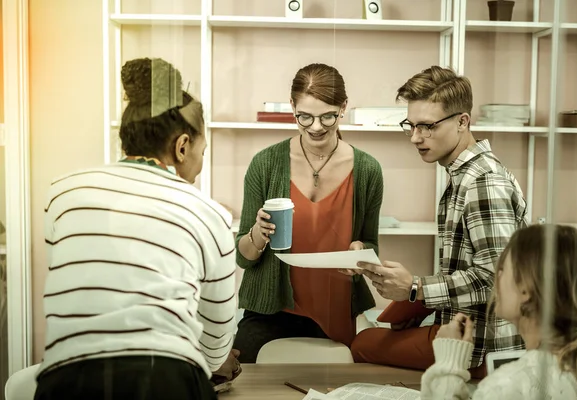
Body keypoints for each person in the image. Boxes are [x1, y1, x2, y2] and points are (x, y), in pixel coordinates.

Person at [35, 58, 240, 399]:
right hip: (165, 380)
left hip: (65, 379)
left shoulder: (62, 193)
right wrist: (211, 360)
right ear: (183, 146)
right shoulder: (208, 213)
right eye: (202, 152)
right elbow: (218, 340)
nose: (200, 164)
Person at [351, 66, 527, 376]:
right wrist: (415, 302)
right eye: (412, 125)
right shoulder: (466, 175)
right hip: (464, 333)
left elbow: (498, 279)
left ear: (462, 122)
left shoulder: (483, 182)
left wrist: (417, 288)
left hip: (483, 349)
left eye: (428, 126)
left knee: (363, 344)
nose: (416, 137)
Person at [233, 63, 384, 363]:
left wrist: (361, 251)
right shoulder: (265, 164)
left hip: (336, 308)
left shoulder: (367, 170)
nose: (316, 126)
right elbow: (243, 256)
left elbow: (370, 244)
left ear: (343, 108)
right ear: (292, 107)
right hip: (269, 310)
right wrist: (257, 234)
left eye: (328, 116)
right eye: (305, 116)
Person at [421, 224, 577, 399]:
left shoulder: (506, 387)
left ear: (526, 289)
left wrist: (449, 360)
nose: (496, 278)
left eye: (501, 270)